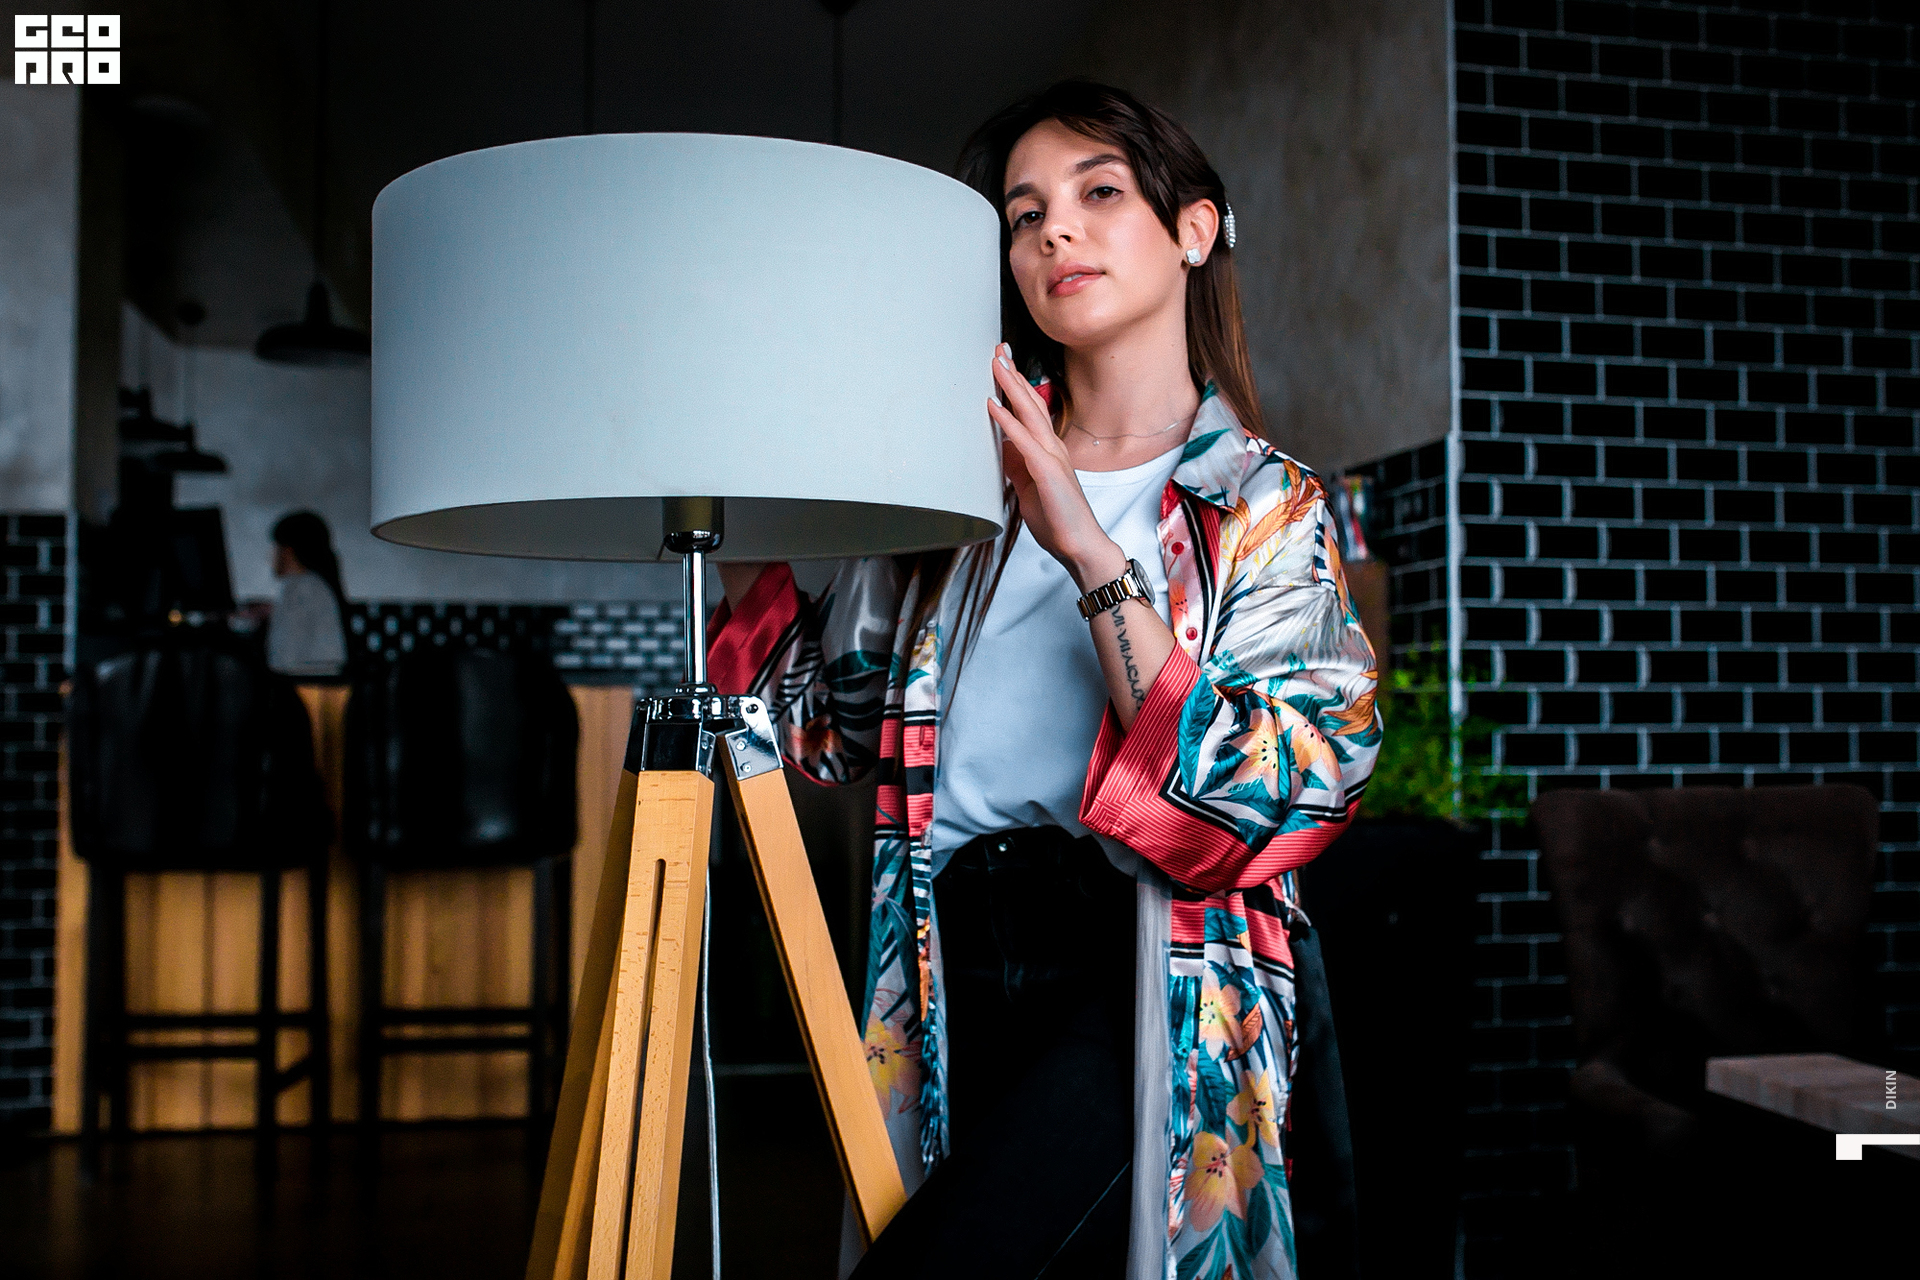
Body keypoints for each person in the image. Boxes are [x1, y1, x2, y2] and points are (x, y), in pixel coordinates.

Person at [708, 79, 1381, 1280]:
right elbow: (827, 733)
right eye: (1024, 215)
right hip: (944, 962)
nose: (1054, 229)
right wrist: (747, 501)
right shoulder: (951, 490)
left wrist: (1087, 549)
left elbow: (1284, 792)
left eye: (1098, 192)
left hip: (1143, 971)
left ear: (1194, 229)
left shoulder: (1263, 503)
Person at [265, 510, 350, 677]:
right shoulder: (315, 585)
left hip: (305, 683)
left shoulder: (298, 588)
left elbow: (282, 658)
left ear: (287, 552)